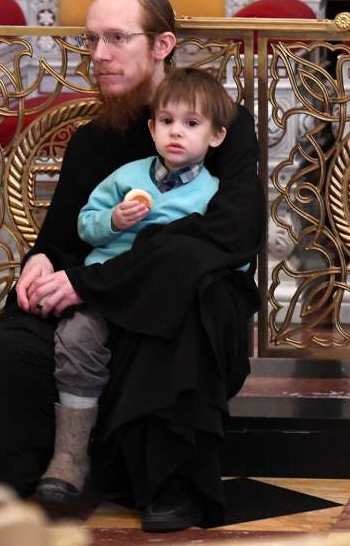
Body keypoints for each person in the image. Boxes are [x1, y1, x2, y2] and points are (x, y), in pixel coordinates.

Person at [0, 0, 265, 532]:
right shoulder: (96, 139)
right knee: (7, 346)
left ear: (162, 45)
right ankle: (32, 462)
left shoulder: (219, 127)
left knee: (183, 310)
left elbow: (224, 236)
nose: (99, 55)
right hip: (99, 288)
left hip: (181, 295)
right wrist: (41, 261)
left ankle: (171, 483)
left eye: (116, 38)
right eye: (92, 40)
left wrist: (95, 283)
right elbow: (65, 234)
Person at [34, 67, 236, 504]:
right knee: (77, 338)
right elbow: (85, 226)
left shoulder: (213, 194)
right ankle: (71, 452)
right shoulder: (127, 178)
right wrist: (113, 220)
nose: (176, 133)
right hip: (106, 286)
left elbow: (225, 255)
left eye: (191, 124)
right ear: (152, 128)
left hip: (158, 301)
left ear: (216, 137)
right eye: (166, 122)